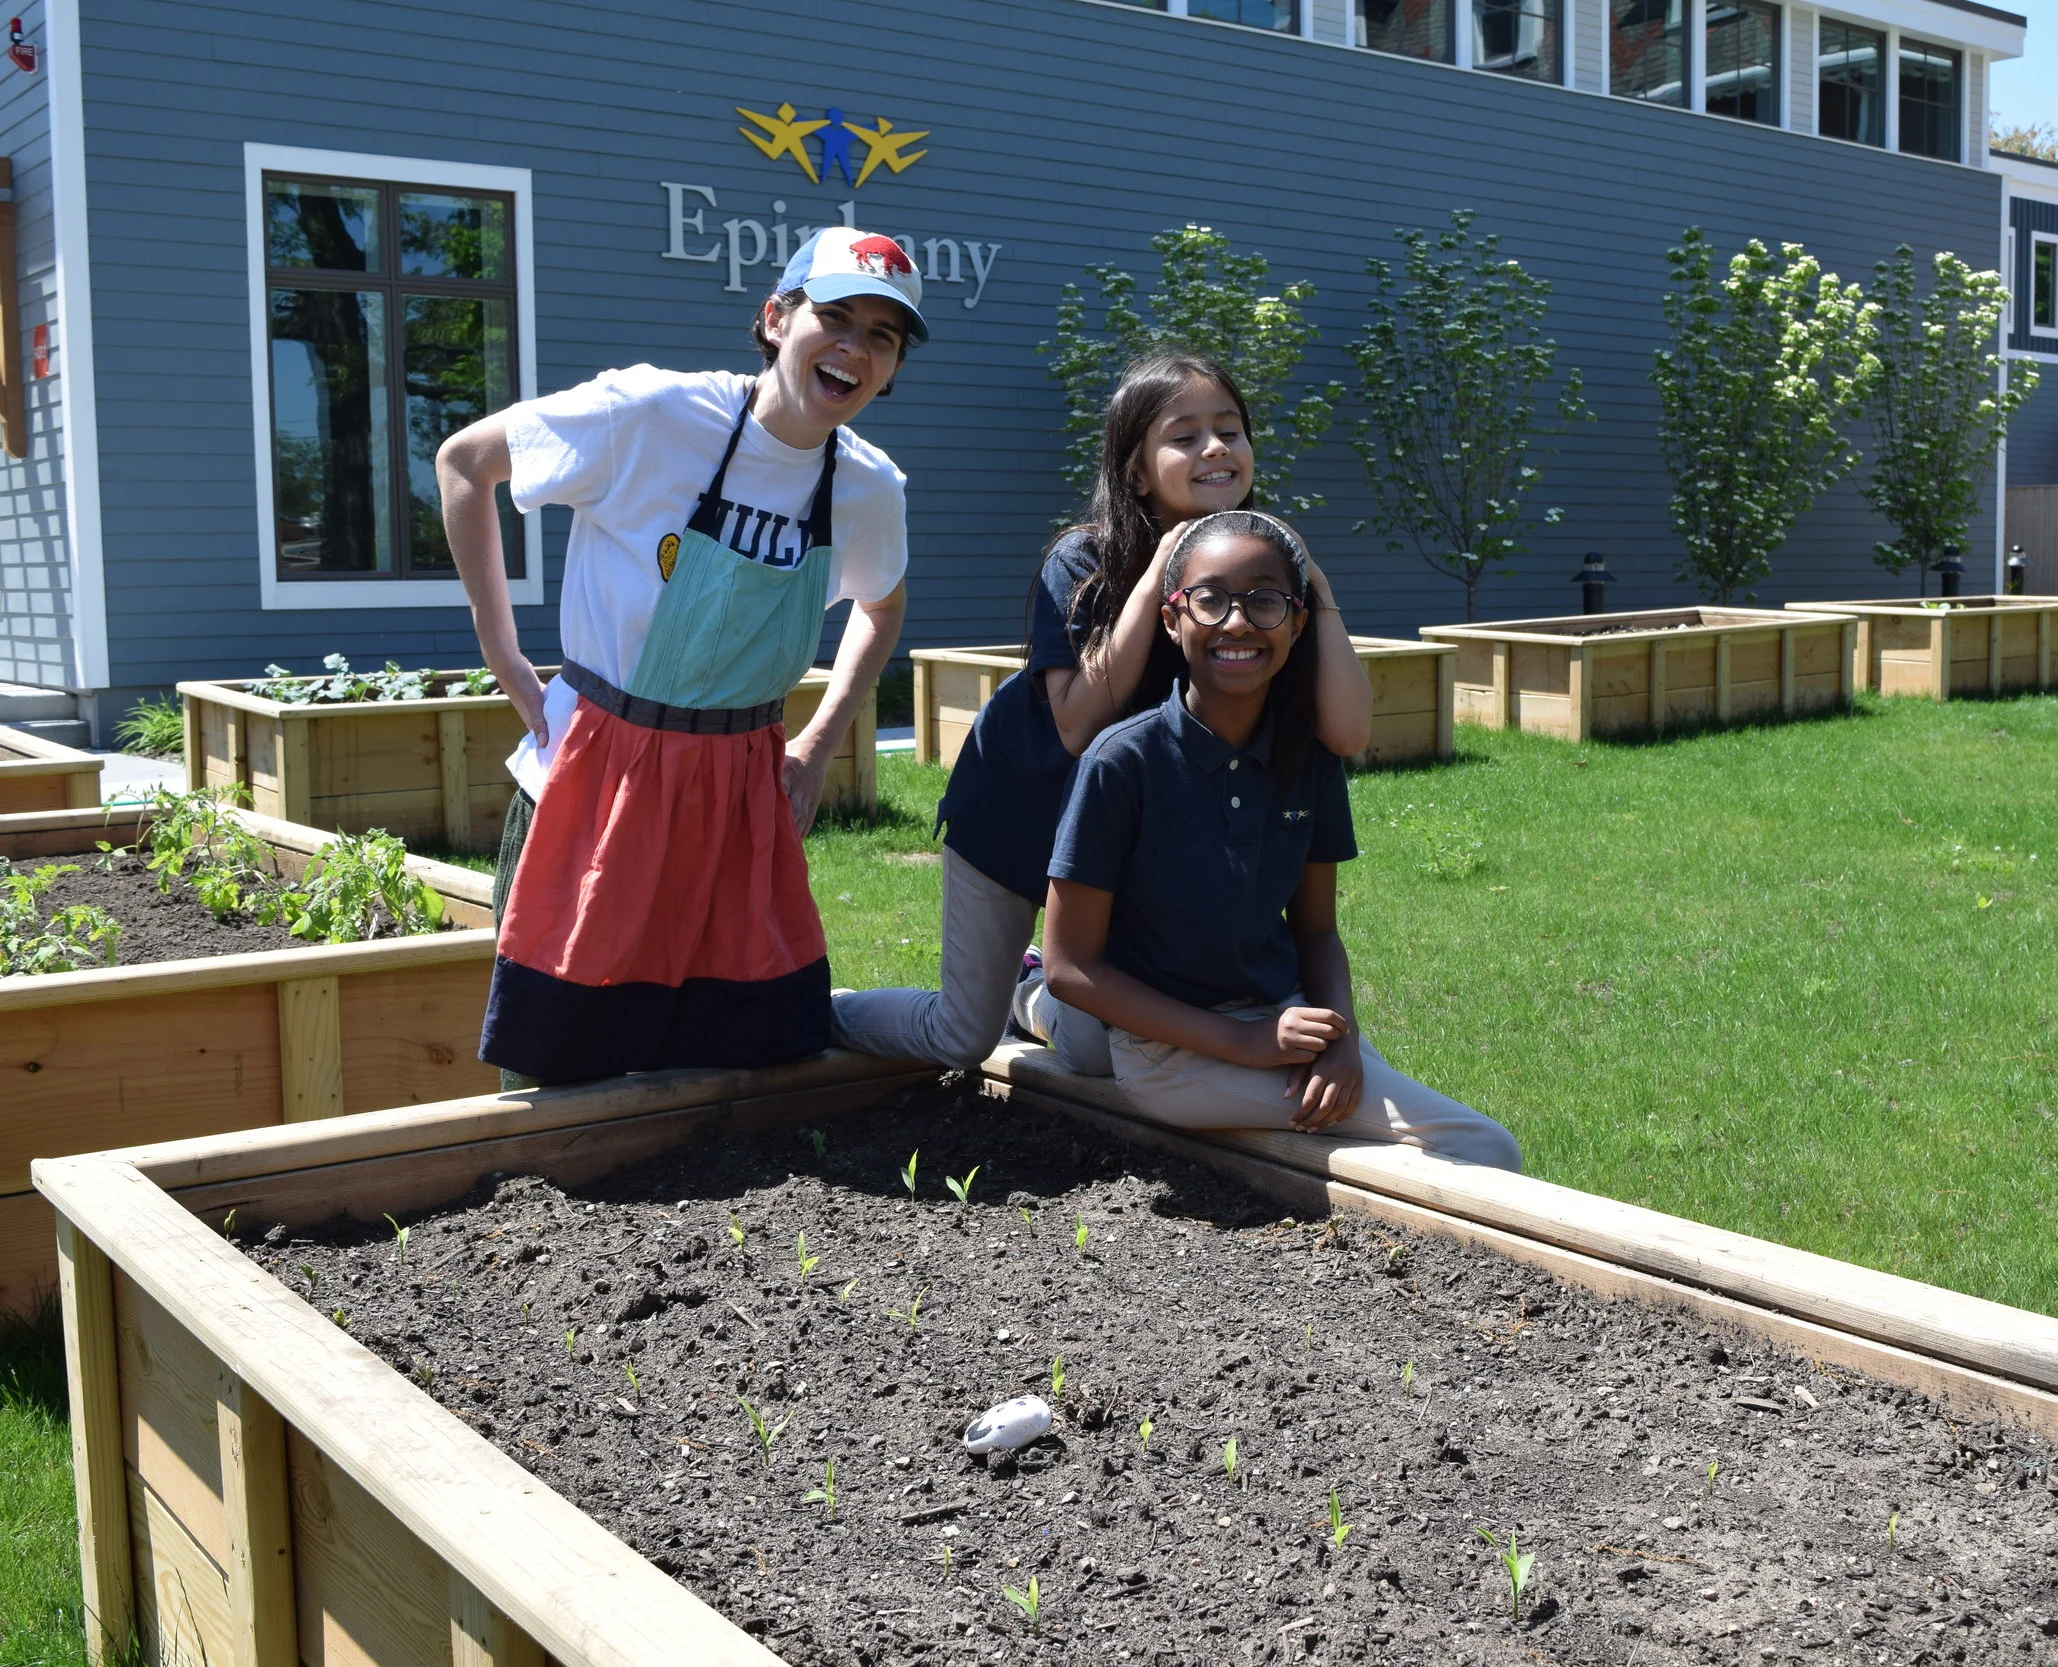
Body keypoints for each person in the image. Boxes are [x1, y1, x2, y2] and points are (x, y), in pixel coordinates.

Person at [435, 227, 922, 1084]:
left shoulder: (868, 486)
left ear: (890, 371)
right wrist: (504, 657)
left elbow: (882, 605)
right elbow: (466, 463)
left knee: (746, 1053)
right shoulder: (650, 415)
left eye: (881, 337)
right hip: (597, 775)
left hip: (739, 792)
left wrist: (814, 745)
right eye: (835, 317)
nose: (853, 347)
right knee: (560, 1060)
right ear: (776, 318)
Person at [829, 351, 1373, 1070]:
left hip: (1119, 851)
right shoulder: (1084, 561)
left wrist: (1317, 580)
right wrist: (1157, 577)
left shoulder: (1260, 574)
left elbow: (1347, 732)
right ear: (1138, 472)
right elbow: (1078, 724)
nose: (1215, 448)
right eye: (1184, 436)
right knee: (962, 1036)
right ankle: (819, 1008)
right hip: (1016, 822)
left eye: (1231, 430)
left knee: (1097, 1044)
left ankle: (1041, 991)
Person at [1041, 510, 1522, 1170]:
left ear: (1298, 623)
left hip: (1285, 1018)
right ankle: (1027, 994)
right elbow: (1072, 967)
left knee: (1425, 1133)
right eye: (1209, 599)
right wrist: (1244, 1042)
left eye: (1265, 600)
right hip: (1168, 1050)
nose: (1237, 621)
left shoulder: (1308, 758)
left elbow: (1316, 931)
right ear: (1171, 617)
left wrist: (1342, 1037)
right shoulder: (1122, 763)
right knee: (1481, 1146)